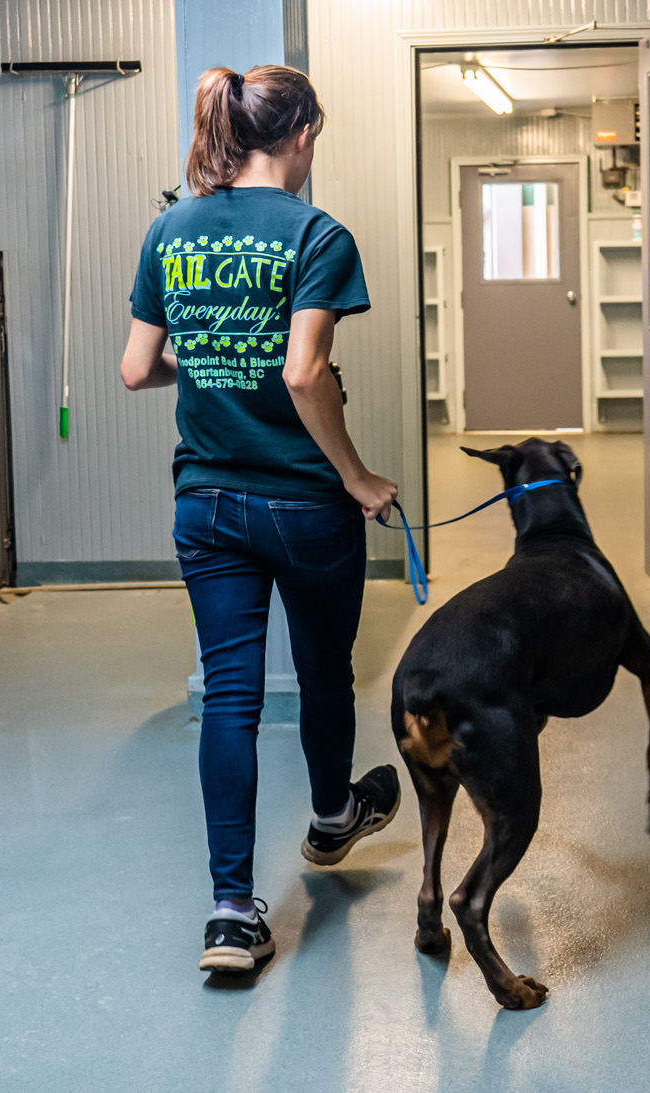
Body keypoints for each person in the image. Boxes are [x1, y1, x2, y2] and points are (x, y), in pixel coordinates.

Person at [121, 64, 403, 975]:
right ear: (301, 136)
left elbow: (137, 368)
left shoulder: (171, 229)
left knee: (231, 697)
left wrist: (209, 366)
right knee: (325, 675)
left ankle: (231, 914)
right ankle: (330, 818)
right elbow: (303, 372)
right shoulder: (317, 234)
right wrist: (358, 477)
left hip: (205, 504)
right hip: (305, 503)